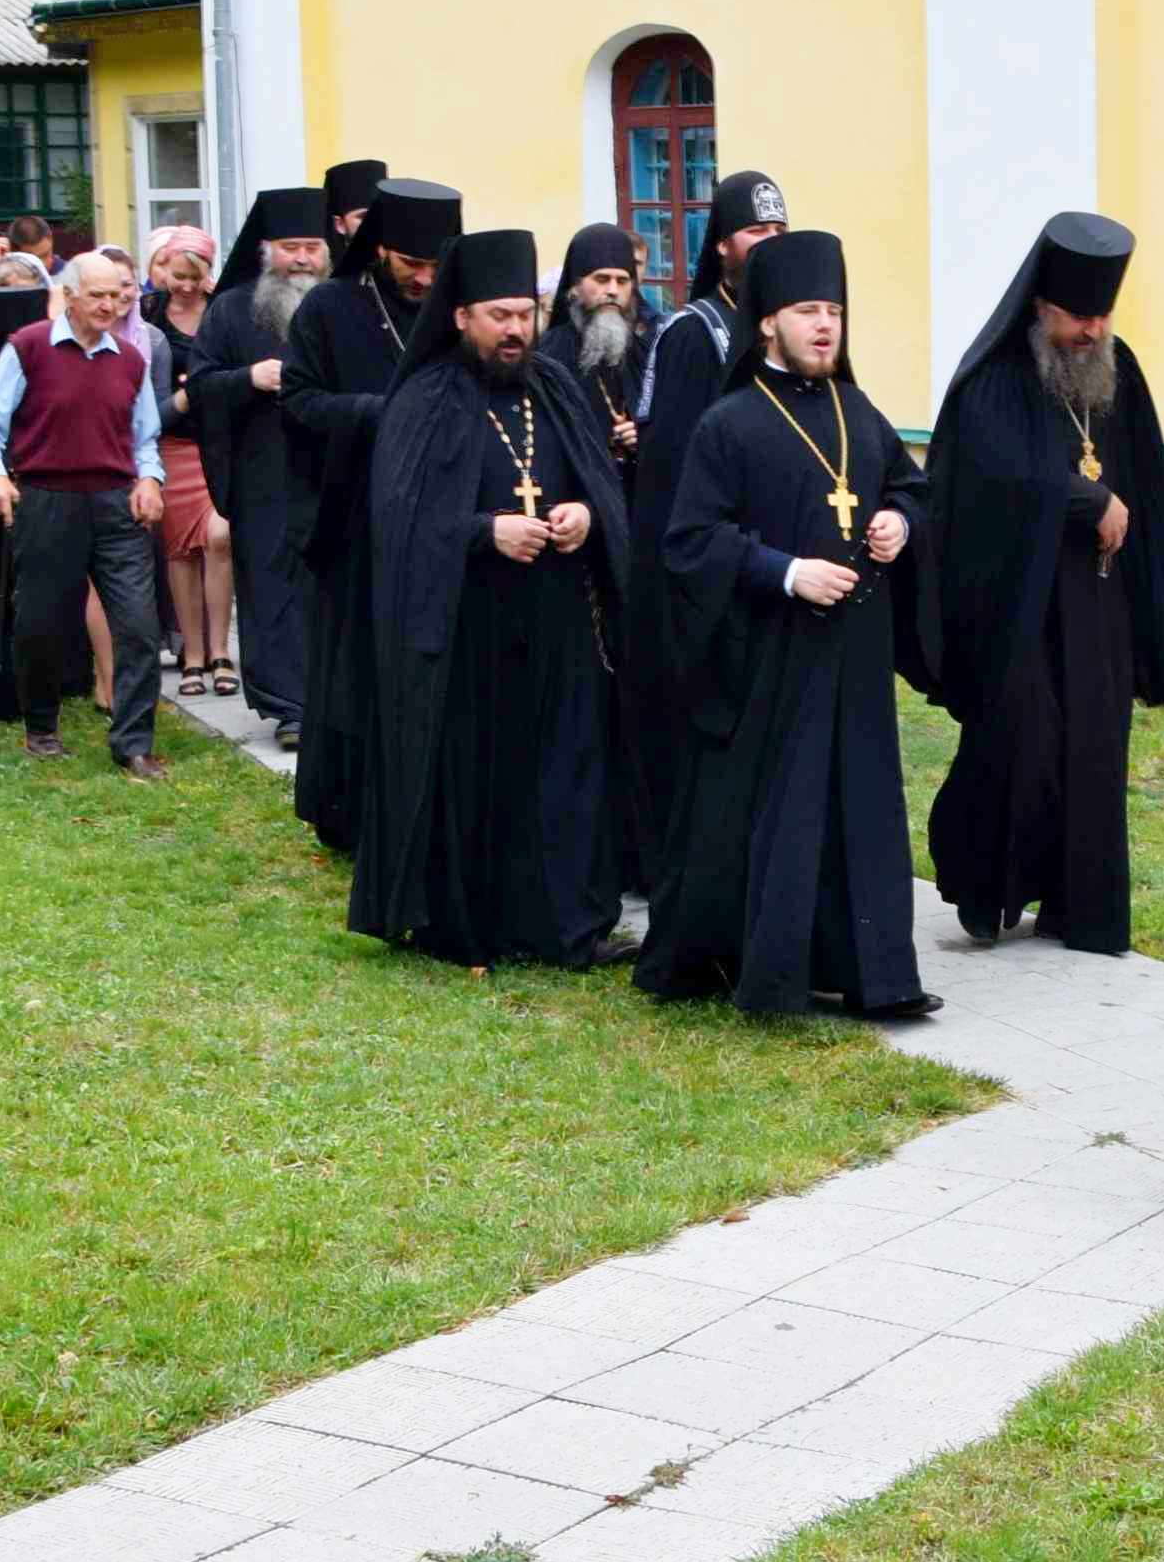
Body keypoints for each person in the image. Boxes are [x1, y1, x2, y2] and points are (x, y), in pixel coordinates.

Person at [638, 230, 937, 1020]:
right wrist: (785, 571)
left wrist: (899, 523)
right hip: (768, 656)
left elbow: (910, 487)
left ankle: (875, 976)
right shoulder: (728, 423)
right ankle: (771, 974)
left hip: (855, 655)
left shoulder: (858, 411)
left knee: (861, 809)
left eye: (834, 310)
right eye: (808, 310)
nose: (825, 325)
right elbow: (689, 540)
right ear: (768, 321)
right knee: (782, 809)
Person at [353, 227, 634, 967]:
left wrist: (586, 515)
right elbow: (398, 519)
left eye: (524, 314)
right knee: (480, 776)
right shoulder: (425, 398)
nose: (515, 330)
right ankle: (473, 925)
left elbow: (601, 483)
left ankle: (571, 925)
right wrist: (485, 530)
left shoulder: (556, 386)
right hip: (465, 625)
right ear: (460, 317)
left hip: (559, 619)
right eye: (499, 316)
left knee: (568, 768)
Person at [904, 210, 1164, 954]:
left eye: (1102, 315)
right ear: (1040, 304)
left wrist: (1155, 590)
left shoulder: (1120, 369)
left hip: (1100, 602)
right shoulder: (997, 376)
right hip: (1021, 605)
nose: (1093, 330)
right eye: (1078, 316)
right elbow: (987, 476)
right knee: (1021, 745)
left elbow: (1149, 479)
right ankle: (985, 889)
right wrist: (1087, 499)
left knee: (1094, 752)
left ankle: (1077, 910)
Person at [624, 173, 789, 882]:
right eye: (756, 231)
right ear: (722, 244)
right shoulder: (697, 334)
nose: (769, 243)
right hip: (711, 568)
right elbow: (675, 473)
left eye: (779, 231)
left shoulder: (784, 328)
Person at [285, 175, 453, 850]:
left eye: (436, 265)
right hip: (357, 512)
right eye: (412, 263)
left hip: (442, 512)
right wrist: (380, 414)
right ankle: (350, 811)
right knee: (355, 666)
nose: (425, 278)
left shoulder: (456, 307)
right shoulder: (329, 307)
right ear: (380, 247)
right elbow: (298, 400)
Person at [0, 248, 172, 781]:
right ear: (70, 295)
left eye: (116, 295)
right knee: (41, 621)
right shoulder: (29, 347)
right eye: (97, 295)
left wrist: (150, 479)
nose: (108, 305)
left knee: (139, 625)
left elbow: (144, 438)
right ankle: (41, 726)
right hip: (47, 498)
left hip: (117, 501)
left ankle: (133, 743)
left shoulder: (130, 359)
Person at [186, 185, 333, 742]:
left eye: (312, 248)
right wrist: (250, 377)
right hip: (263, 471)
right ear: (268, 251)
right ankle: (289, 706)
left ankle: (333, 701)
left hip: (331, 469)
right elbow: (200, 385)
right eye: (291, 248)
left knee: (328, 586)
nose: (302, 259)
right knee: (271, 585)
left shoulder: (342, 304)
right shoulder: (230, 309)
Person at [141, 231, 235, 701]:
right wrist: (183, 397)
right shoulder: (149, 313)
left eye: (193, 278)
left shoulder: (222, 311)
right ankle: (192, 653)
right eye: (177, 276)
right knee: (180, 552)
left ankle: (221, 650)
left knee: (220, 538)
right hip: (173, 444)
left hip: (220, 443)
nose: (184, 286)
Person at [552, 223, 656, 458]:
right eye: (602, 279)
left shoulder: (648, 350)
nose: (613, 290)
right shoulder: (549, 355)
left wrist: (645, 436)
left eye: (622, 281)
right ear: (575, 286)